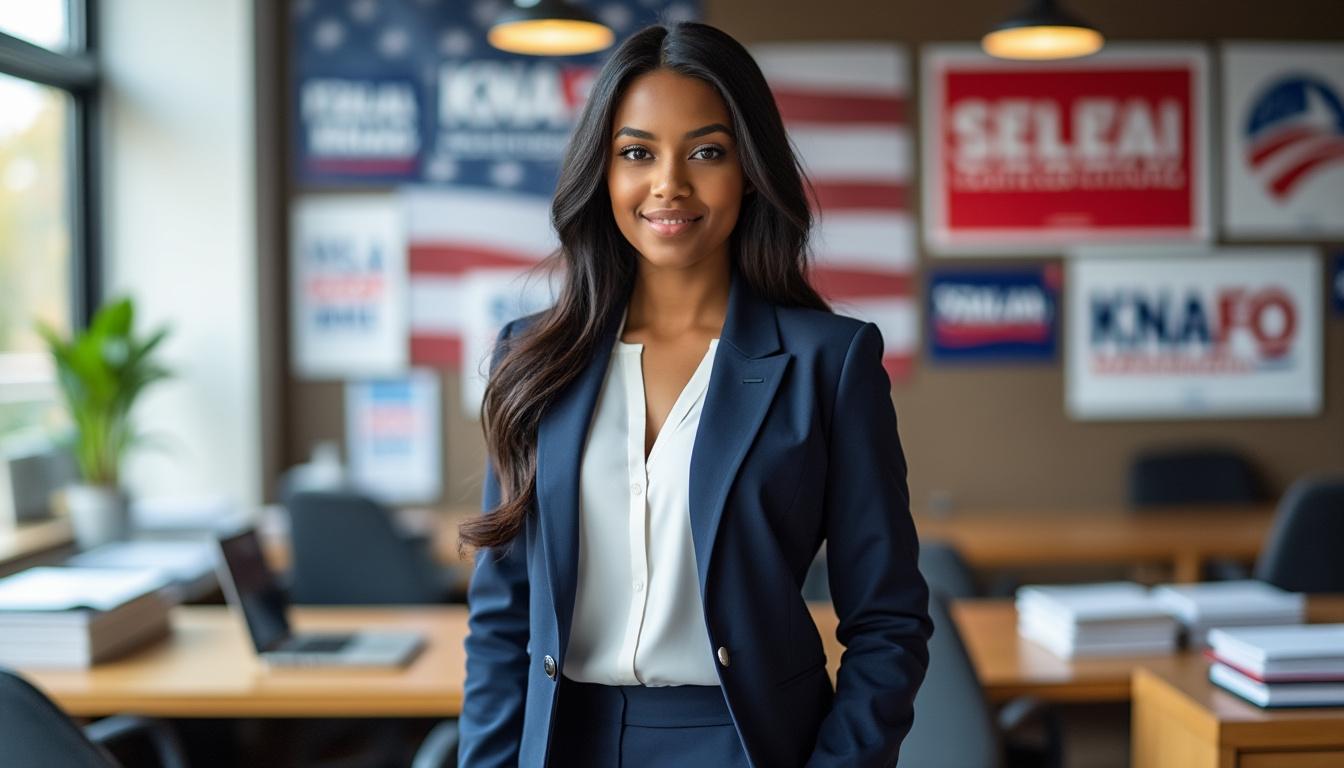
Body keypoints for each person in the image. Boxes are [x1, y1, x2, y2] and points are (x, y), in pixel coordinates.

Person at [458, 21, 931, 768]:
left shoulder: (829, 363)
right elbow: (499, 620)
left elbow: (889, 621)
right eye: (636, 153)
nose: (668, 183)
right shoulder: (534, 356)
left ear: (749, 168)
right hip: (563, 744)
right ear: (602, 172)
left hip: (748, 745)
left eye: (706, 152)